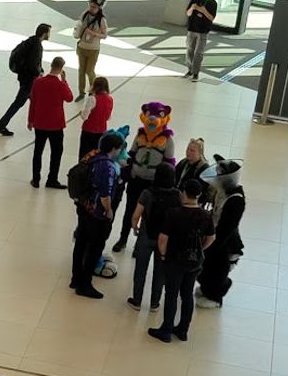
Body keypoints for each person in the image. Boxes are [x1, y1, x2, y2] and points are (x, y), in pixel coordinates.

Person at [147, 176, 213, 341]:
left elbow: (163, 239)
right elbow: (211, 237)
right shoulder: (205, 215)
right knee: (187, 294)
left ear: (183, 193)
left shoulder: (174, 213)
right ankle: (183, 329)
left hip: (175, 260)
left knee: (171, 294)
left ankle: (166, 329)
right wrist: (200, 249)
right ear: (198, 195)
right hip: (194, 261)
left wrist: (163, 255)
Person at [68, 132, 122, 299]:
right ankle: (85, 284)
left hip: (83, 207)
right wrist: (109, 210)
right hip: (96, 213)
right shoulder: (107, 166)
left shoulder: (91, 155)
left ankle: (75, 279)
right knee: (94, 248)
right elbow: (105, 194)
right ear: (114, 149)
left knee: (81, 244)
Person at [125, 163, 177, 313]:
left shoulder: (147, 193)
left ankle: (137, 300)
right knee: (160, 272)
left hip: (146, 236)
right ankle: (154, 303)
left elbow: (135, 215)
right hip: (166, 240)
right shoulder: (177, 195)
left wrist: (135, 228)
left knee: (140, 270)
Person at [0, 23, 51, 135]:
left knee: (35, 101)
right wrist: (39, 73)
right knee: (20, 102)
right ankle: (1, 125)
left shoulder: (31, 41)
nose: (49, 34)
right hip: (29, 81)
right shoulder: (37, 46)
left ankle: (38, 124)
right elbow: (33, 64)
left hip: (24, 77)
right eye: (49, 32)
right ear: (44, 34)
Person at [27, 56, 72, 189]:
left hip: (40, 122)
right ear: (61, 69)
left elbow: (33, 102)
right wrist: (65, 81)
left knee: (38, 151)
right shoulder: (60, 85)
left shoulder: (38, 82)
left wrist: (30, 120)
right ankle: (52, 179)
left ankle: (36, 179)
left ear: (51, 65)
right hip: (56, 124)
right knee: (56, 152)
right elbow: (69, 98)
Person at [73, 0, 107, 99]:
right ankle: (81, 92)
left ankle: (94, 90)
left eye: (94, 7)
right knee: (81, 71)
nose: (91, 8)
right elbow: (79, 25)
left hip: (93, 49)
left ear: (99, 8)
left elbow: (104, 35)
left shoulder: (101, 20)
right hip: (82, 46)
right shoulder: (84, 14)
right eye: (90, 6)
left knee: (89, 71)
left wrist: (93, 34)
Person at [182, 0, 217, 80]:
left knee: (199, 52)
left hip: (203, 31)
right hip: (192, 29)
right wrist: (192, 8)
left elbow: (211, 18)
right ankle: (190, 70)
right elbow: (188, 13)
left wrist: (203, 11)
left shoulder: (212, 3)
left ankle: (196, 72)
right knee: (189, 50)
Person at [78, 75, 114, 163]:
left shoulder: (92, 99)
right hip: (101, 132)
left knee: (84, 154)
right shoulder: (110, 99)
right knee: (96, 155)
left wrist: (81, 113)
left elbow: (84, 116)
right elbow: (108, 117)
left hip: (88, 131)